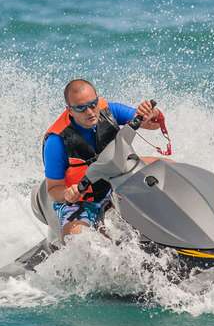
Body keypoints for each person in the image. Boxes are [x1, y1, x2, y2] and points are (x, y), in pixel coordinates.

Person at [43, 79, 164, 237]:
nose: (91, 112)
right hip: (81, 200)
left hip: (116, 185)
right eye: (81, 108)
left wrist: (152, 113)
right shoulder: (56, 141)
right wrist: (67, 193)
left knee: (168, 167)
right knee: (78, 239)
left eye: (93, 104)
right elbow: (52, 188)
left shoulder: (109, 110)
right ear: (70, 110)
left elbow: (152, 124)